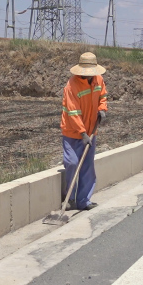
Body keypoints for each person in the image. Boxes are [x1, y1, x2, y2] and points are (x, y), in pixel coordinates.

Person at [60, 52, 108, 211]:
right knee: (72, 162)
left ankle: (83, 201)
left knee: (87, 167)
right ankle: (69, 198)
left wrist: (102, 109)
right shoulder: (71, 86)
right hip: (72, 133)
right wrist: (82, 133)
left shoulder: (98, 80)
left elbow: (103, 97)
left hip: (91, 131)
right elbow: (72, 113)